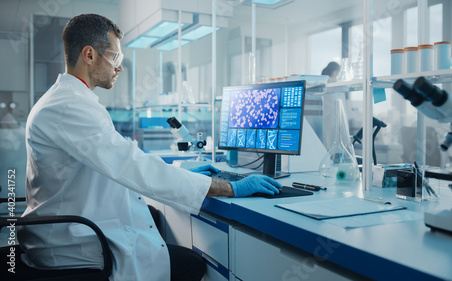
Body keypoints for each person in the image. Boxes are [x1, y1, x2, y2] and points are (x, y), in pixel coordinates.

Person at [18, 13, 281, 281]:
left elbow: (119, 159)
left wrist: (188, 176)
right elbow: (132, 166)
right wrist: (231, 187)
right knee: (190, 263)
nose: (119, 67)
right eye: (115, 57)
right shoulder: (69, 107)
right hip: (67, 245)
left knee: (153, 220)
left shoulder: (70, 100)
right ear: (89, 55)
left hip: (70, 225)